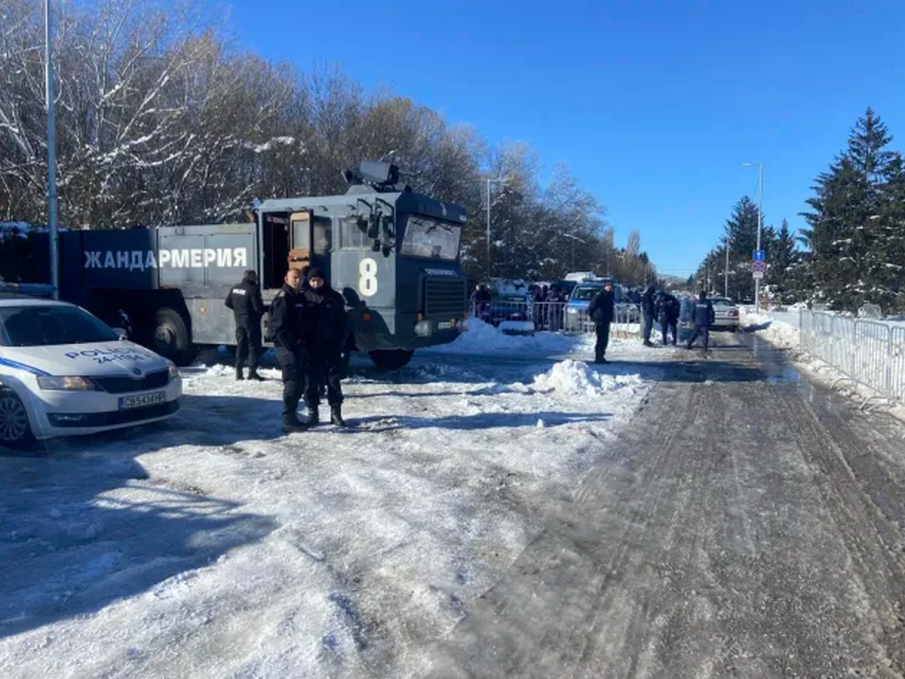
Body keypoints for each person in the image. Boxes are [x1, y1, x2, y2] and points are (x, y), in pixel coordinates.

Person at [301, 268, 349, 426]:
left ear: (324, 280)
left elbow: (344, 323)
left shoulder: (334, 298)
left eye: (319, 280)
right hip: (310, 347)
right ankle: (312, 412)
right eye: (312, 280)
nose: (316, 283)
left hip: (330, 346)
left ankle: (336, 413)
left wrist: (340, 343)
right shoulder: (303, 297)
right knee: (310, 382)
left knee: (333, 380)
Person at [269, 268, 308, 432]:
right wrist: (292, 344)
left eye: (299, 277)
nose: (297, 280)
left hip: (297, 345)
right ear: (286, 279)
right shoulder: (283, 299)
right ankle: (287, 421)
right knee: (292, 380)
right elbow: (278, 328)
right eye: (294, 278)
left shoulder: (298, 296)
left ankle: (292, 417)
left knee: (299, 381)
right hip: (286, 346)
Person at [225, 269, 265, 381]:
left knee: (240, 346)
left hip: (239, 321)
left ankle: (239, 372)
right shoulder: (253, 289)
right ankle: (252, 372)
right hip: (251, 322)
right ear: (251, 277)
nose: (257, 279)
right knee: (253, 346)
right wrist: (261, 313)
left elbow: (227, 302)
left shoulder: (235, 288)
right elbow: (258, 308)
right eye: (255, 277)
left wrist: (238, 311)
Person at [587, 280, 615, 364]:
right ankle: (598, 357)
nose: (609, 287)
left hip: (606, 319)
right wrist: (593, 316)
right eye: (607, 286)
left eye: (610, 286)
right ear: (604, 286)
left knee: (605, 339)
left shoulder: (610, 295)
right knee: (601, 338)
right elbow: (592, 305)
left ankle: (601, 356)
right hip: (600, 319)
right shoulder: (600, 295)